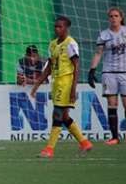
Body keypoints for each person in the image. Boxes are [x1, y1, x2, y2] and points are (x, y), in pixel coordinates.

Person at [30, 16, 93, 158]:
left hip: (66, 82)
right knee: (64, 116)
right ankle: (84, 142)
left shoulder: (70, 44)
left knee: (57, 114)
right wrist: (36, 85)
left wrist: (73, 88)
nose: (57, 29)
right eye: (56, 27)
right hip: (56, 82)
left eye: (60, 27)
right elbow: (49, 68)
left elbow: (77, 66)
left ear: (66, 28)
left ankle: (49, 149)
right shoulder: (52, 44)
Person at [88, 7, 126, 145]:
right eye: (111, 16)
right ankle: (114, 137)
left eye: (116, 16)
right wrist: (92, 70)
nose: (113, 18)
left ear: (121, 18)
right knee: (112, 104)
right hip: (109, 73)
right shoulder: (104, 35)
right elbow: (98, 53)